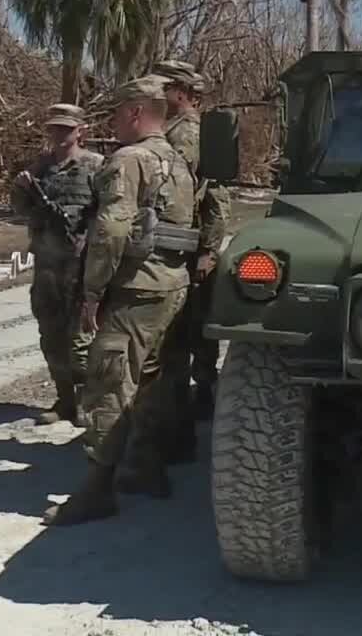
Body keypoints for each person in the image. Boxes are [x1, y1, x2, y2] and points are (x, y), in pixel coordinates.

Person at [43, 75, 198, 526]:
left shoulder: (129, 161)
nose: (112, 121)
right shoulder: (178, 160)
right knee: (151, 380)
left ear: (134, 112)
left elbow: (111, 229)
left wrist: (93, 290)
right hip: (171, 284)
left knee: (109, 382)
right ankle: (146, 467)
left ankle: (97, 489)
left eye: (115, 112)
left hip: (134, 287)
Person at [149, 60, 231, 465]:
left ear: (180, 92)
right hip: (176, 248)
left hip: (187, 248)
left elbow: (216, 196)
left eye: (163, 86)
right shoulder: (168, 131)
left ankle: (187, 417)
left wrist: (209, 250)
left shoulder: (191, 134)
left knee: (185, 336)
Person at [10, 103, 104, 426]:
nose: (60, 134)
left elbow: (108, 214)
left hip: (80, 265)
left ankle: (85, 401)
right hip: (47, 264)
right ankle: (65, 399)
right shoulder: (39, 169)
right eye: (55, 128)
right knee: (50, 334)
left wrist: (89, 241)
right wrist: (22, 191)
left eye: (66, 128)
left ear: (81, 131)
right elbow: (19, 210)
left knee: (80, 339)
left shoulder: (96, 167)